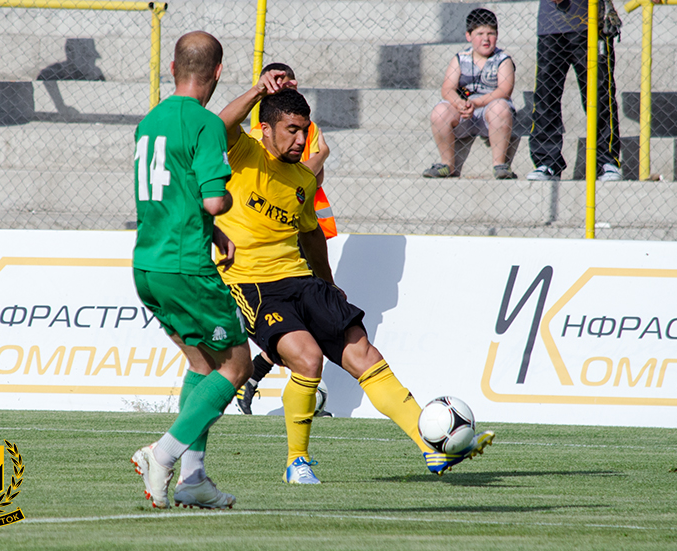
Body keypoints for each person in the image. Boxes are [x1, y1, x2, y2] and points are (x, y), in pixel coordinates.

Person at [217, 74, 495, 483]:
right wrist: (259, 90)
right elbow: (220, 125)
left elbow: (311, 235)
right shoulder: (245, 153)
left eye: (304, 131)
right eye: (291, 130)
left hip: (302, 280)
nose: (300, 140)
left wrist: (328, 284)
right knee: (308, 359)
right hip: (253, 285)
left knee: (366, 356)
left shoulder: (303, 180)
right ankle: (297, 461)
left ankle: (431, 447)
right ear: (266, 129)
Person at [129, 31, 253, 510]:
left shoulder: (150, 121)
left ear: (172, 69)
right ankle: (162, 454)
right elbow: (213, 199)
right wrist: (224, 208)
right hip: (186, 268)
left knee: (202, 364)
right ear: (218, 72)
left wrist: (210, 231)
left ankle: (193, 479)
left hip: (149, 264)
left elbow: (171, 193)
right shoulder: (206, 124)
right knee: (236, 365)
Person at [236, 62, 337, 416]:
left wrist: (316, 162)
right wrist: (319, 157)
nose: (288, 87)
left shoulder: (308, 127)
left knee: (309, 321)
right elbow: (283, 176)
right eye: (281, 83)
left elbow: (312, 179)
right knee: (296, 327)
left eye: (292, 82)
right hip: (267, 242)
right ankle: (256, 378)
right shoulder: (258, 133)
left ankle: (262, 378)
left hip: (302, 226)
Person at [526, 0, 622, 181]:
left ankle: (606, 160)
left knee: (599, 95)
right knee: (546, 95)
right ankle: (547, 162)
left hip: (590, 21)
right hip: (551, 24)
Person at [422, 9, 517, 180]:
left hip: (491, 114)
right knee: (439, 111)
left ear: (497, 35)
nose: (486, 39)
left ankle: (500, 165)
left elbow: (504, 91)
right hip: (465, 113)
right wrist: (459, 103)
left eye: (491, 33)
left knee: (500, 107)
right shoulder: (461, 58)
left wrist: (477, 103)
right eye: (479, 34)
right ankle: (447, 164)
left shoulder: (503, 59)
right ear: (468, 36)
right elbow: (447, 89)